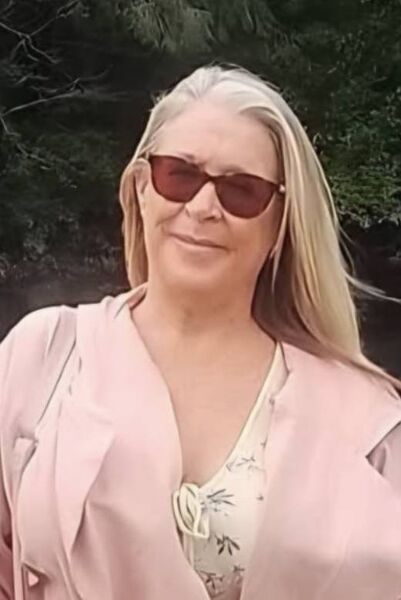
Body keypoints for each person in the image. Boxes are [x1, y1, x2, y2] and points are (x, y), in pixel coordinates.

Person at [1, 64, 401, 600]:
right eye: (179, 175)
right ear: (141, 189)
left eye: (242, 190)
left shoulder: (364, 421)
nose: (203, 207)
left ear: (280, 222)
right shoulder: (45, 358)